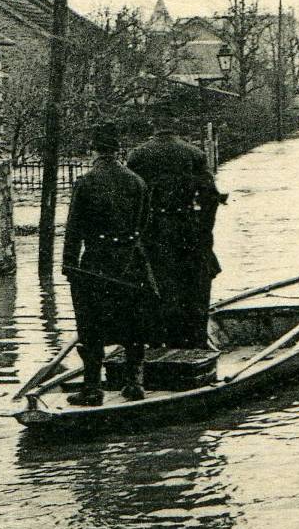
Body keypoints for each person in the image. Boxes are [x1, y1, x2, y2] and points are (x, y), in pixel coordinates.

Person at [62, 123, 158, 405]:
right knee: (133, 321)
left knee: (91, 324)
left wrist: (69, 265)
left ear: (94, 151)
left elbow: (74, 229)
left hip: (96, 261)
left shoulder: (85, 182)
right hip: (130, 261)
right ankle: (134, 384)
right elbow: (144, 224)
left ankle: (92, 389)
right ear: (118, 151)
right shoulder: (137, 182)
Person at [127, 119, 224, 350]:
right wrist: (203, 231)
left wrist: (138, 232)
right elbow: (210, 198)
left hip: (152, 232)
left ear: (153, 125)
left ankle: (156, 342)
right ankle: (194, 342)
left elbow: (130, 199)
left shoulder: (138, 156)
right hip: (186, 228)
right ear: (176, 126)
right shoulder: (194, 154)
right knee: (194, 282)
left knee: (155, 284)